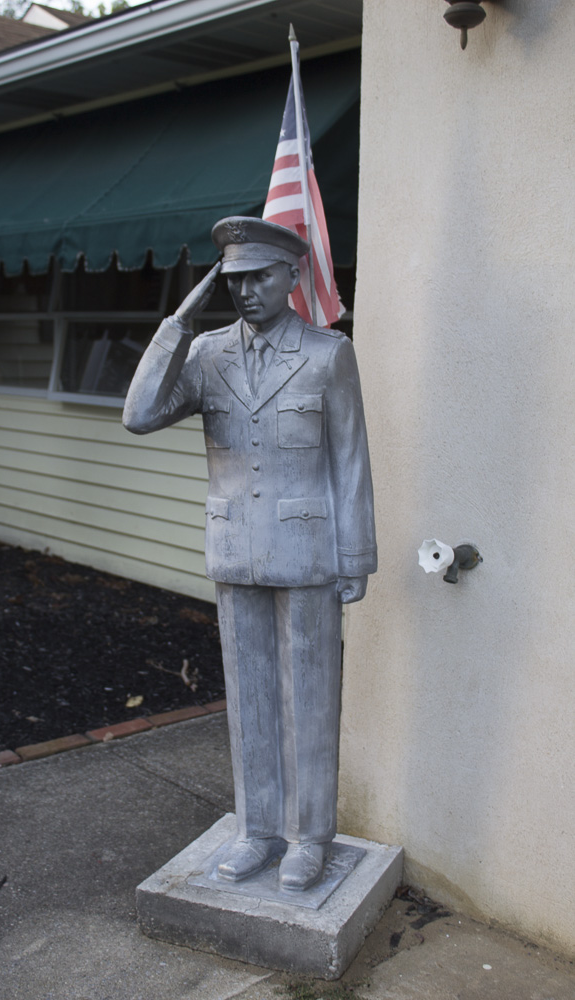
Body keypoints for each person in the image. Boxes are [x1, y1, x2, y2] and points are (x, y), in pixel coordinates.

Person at [124, 217, 376, 891]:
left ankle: (309, 838)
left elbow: (350, 460)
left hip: (308, 548)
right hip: (235, 547)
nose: (245, 292)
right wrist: (174, 326)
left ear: (291, 276)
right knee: (250, 699)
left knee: (310, 698)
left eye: (258, 277)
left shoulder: (327, 355)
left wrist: (355, 556)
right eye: (232, 280)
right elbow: (140, 414)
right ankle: (257, 831)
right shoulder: (205, 354)